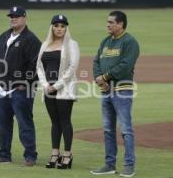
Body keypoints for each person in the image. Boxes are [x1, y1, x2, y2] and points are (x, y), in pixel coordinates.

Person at [0, 6, 41, 166]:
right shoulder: (4, 36)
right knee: (2, 122)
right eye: (11, 16)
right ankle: (4, 154)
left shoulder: (31, 39)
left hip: (21, 90)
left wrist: (26, 83)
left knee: (24, 122)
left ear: (24, 18)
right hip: (3, 88)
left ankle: (30, 155)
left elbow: (37, 65)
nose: (13, 18)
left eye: (17, 16)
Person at [90, 11, 140, 177]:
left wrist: (105, 76)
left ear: (120, 24)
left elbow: (126, 65)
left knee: (126, 129)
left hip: (122, 91)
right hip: (106, 91)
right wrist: (98, 78)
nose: (108, 25)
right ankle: (109, 164)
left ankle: (129, 165)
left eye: (111, 22)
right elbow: (96, 61)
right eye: (108, 22)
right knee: (108, 130)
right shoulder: (105, 41)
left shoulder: (130, 42)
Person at [36, 15, 80, 169]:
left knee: (65, 121)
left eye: (62, 26)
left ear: (66, 28)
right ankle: (55, 153)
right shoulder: (45, 45)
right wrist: (45, 84)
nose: (59, 29)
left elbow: (72, 68)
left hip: (64, 89)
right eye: (56, 26)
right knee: (55, 122)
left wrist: (57, 85)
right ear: (52, 27)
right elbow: (39, 67)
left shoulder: (71, 45)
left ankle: (67, 155)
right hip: (48, 89)